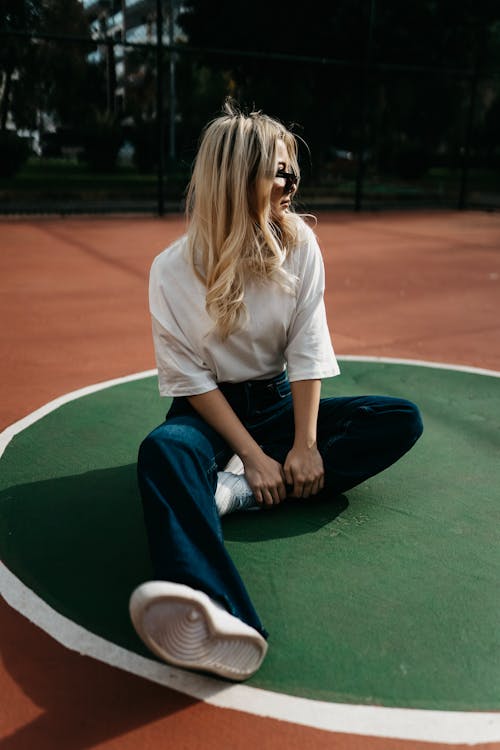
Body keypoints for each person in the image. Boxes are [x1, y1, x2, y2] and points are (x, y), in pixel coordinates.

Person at [129, 99, 423, 682]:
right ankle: (216, 611)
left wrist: (304, 444)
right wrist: (258, 454)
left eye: (292, 168)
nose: (291, 181)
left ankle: (227, 493)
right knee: (164, 453)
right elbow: (190, 379)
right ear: (237, 178)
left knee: (398, 419)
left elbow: (307, 347)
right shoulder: (171, 269)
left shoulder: (300, 245)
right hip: (207, 409)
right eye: (278, 170)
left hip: (276, 401)